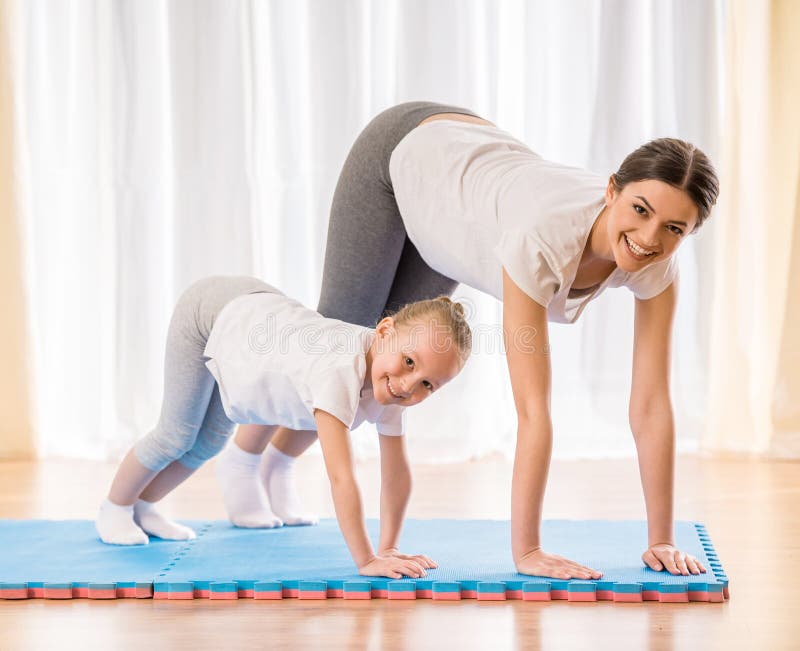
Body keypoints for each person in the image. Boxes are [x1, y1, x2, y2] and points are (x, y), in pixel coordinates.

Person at [253, 101, 719, 581]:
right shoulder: (542, 236)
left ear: (689, 233)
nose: (648, 237)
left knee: (373, 367)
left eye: (673, 229)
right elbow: (533, 409)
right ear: (610, 190)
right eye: (639, 210)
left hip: (458, 207)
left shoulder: (659, 263)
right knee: (339, 345)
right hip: (408, 153)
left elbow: (651, 403)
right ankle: (254, 462)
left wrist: (661, 538)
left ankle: (273, 465)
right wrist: (529, 551)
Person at [95, 275, 472, 580]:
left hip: (258, 313)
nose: (409, 385)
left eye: (428, 384)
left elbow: (396, 474)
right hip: (213, 311)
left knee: (207, 442)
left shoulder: (389, 383)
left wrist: (389, 546)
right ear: (385, 331)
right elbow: (341, 477)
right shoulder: (339, 370)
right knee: (176, 434)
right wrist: (367, 559)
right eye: (409, 362)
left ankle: (143, 506)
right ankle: (115, 506)